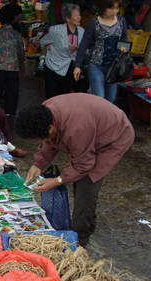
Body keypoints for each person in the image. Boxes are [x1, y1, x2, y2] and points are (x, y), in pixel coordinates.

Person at [16, 93, 134, 247]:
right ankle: (89, 224)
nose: (42, 141)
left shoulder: (77, 129)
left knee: (86, 187)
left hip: (113, 137)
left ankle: (80, 239)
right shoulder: (45, 112)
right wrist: (37, 164)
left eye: (40, 139)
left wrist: (57, 181)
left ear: (51, 127)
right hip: (91, 127)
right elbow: (49, 141)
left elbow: (84, 165)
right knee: (80, 180)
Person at [73, 0, 128, 103]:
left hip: (114, 67)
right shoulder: (94, 23)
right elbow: (83, 44)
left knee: (111, 99)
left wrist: (124, 47)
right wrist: (77, 65)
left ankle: (105, 119)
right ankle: (97, 119)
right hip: (97, 66)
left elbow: (124, 38)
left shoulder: (121, 21)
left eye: (116, 8)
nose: (114, 11)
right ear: (104, 7)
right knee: (99, 98)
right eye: (111, 8)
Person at [40, 4, 85, 99]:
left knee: (64, 98)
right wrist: (48, 48)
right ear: (68, 18)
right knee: (52, 98)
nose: (79, 18)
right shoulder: (56, 30)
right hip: (53, 67)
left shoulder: (81, 31)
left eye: (79, 15)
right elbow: (43, 42)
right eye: (76, 15)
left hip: (68, 68)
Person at [0, 5, 25, 118]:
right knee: (12, 91)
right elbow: (21, 52)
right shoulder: (17, 35)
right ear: (12, 19)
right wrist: (20, 64)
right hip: (13, 68)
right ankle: (10, 112)